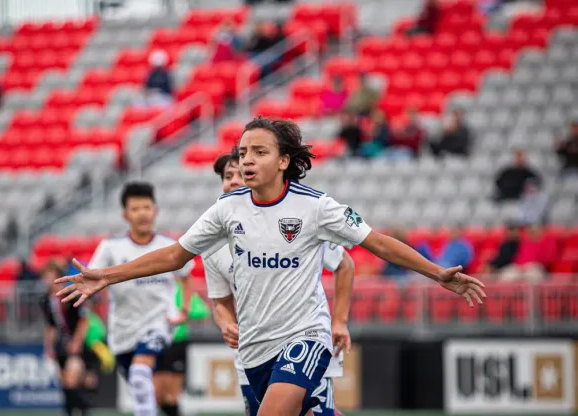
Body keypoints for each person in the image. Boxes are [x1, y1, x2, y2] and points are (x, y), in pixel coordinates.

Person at [57, 117, 486, 416]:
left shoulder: (317, 207)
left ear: (283, 161)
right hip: (255, 349)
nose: (246, 160)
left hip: (306, 337)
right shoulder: (226, 210)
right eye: (243, 152)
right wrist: (106, 276)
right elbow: (175, 256)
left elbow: (376, 243)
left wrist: (437, 273)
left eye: (259, 152)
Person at [204, 150, 354, 416]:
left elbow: (345, 264)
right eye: (228, 176)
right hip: (253, 349)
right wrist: (226, 322)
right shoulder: (212, 239)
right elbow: (221, 302)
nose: (234, 181)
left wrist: (339, 320)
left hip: (302, 337)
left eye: (241, 174)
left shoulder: (291, 220)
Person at [86, 182, 194, 416]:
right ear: (125, 214)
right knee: (151, 393)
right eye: (135, 209)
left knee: (142, 375)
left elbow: (186, 277)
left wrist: (183, 310)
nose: (142, 213)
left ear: (155, 210)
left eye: (147, 207)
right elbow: (93, 278)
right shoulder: (110, 247)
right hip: (123, 332)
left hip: (159, 325)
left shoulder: (169, 247)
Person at [40, 262, 95, 416]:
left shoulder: (72, 295)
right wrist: (48, 348)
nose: (47, 281)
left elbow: (84, 321)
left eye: (50, 277)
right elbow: (50, 326)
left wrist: (77, 343)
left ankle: (84, 411)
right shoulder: (46, 300)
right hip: (60, 344)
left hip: (75, 343)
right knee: (64, 382)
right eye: (45, 277)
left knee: (73, 380)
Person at [154, 278, 210, 416]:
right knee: (157, 396)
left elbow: (202, 312)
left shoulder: (181, 289)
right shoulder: (154, 286)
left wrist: (181, 313)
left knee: (172, 395)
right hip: (155, 343)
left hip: (176, 343)